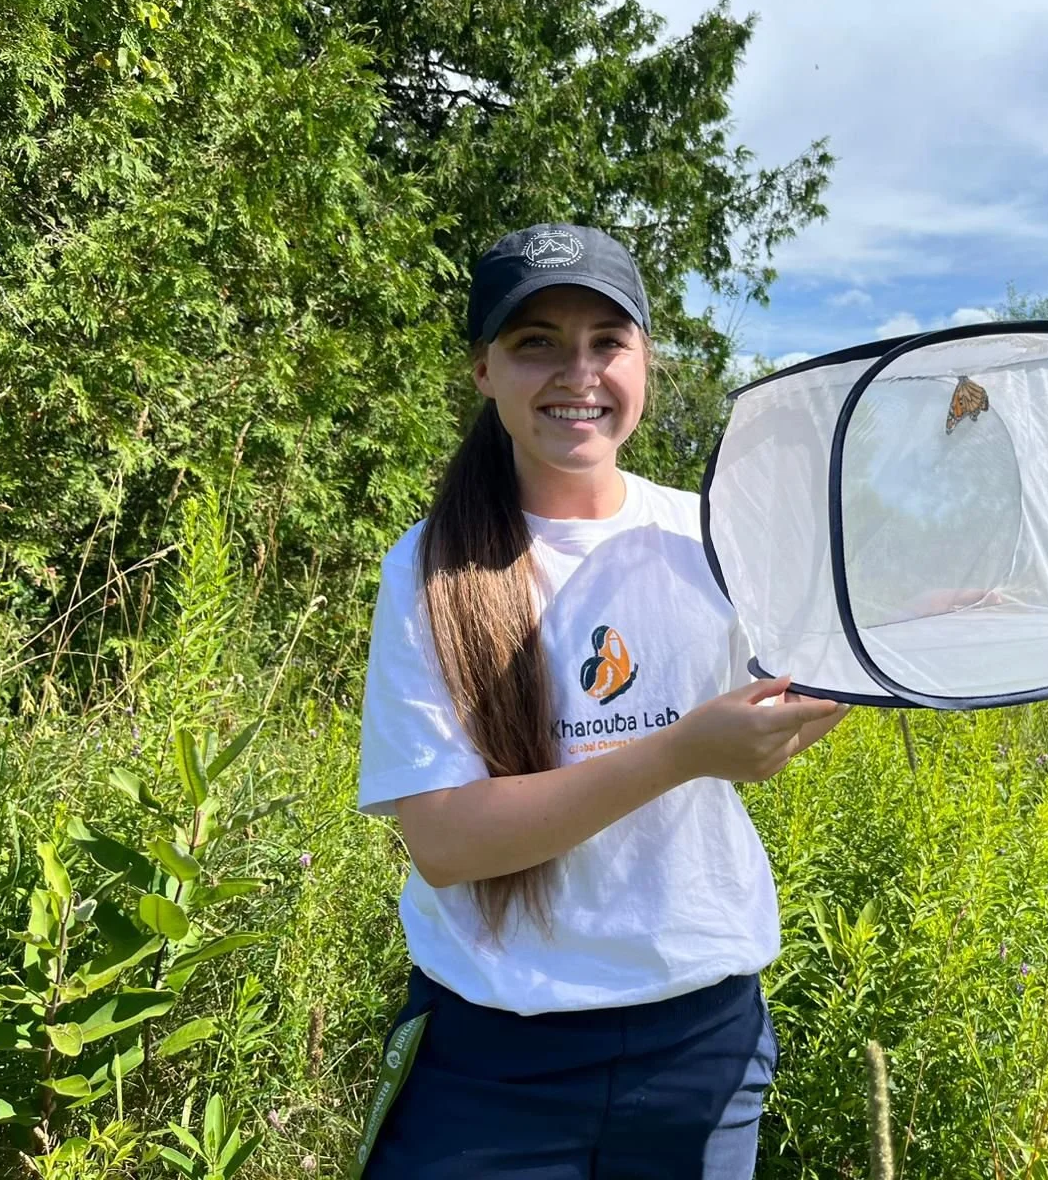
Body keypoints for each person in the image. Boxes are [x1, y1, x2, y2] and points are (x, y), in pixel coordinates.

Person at [352, 222, 850, 1179]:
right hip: (490, 1061)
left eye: (606, 342)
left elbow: (825, 666)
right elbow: (447, 843)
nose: (576, 372)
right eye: (535, 341)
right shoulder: (429, 566)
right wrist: (682, 753)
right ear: (482, 372)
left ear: (646, 363)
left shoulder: (719, 538)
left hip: (702, 1045)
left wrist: (937, 623)